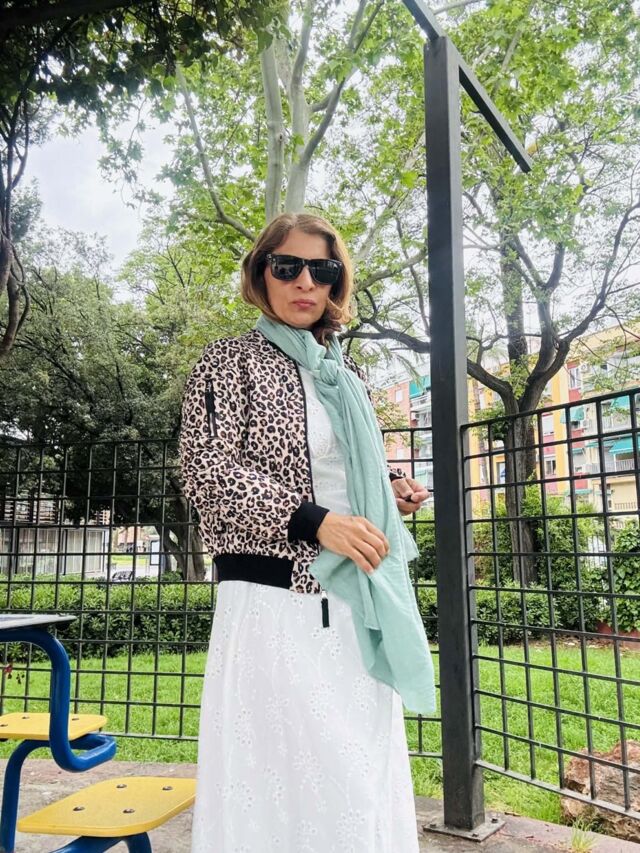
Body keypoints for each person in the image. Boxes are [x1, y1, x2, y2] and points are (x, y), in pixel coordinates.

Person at [179, 212, 435, 853]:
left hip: (354, 595)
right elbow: (205, 470)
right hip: (274, 598)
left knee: (357, 769)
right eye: (287, 266)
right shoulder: (229, 362)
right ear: (260, 274)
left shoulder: (343, 373)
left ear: (336, 281)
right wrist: (318, 524)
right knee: (282, 769)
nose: (304, 283)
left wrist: (390, 488)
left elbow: (343, 467)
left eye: (321, 270)